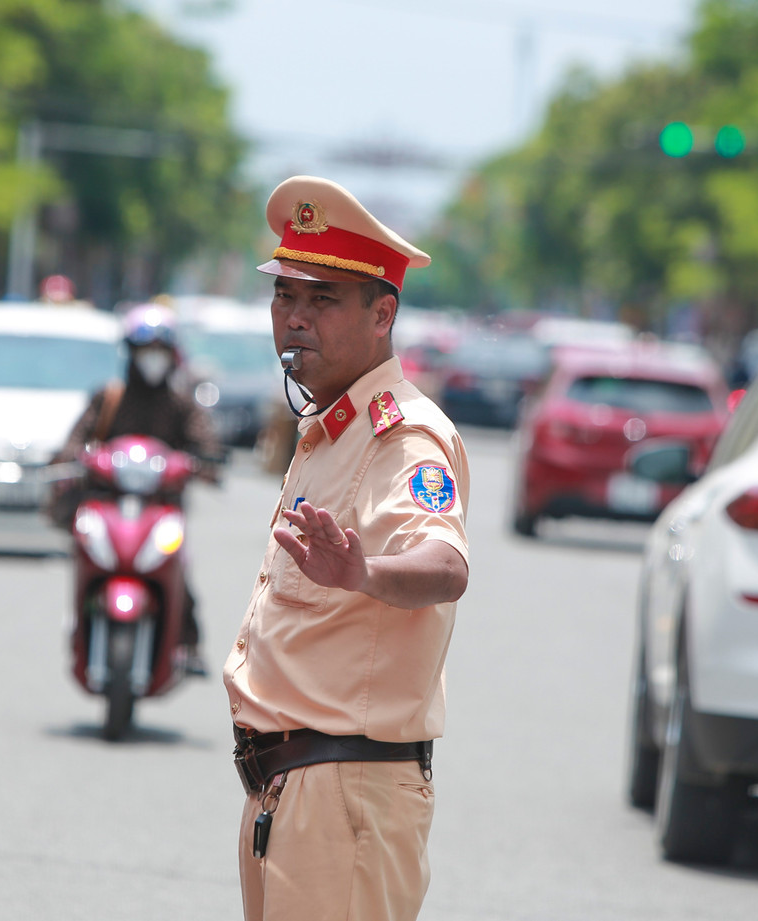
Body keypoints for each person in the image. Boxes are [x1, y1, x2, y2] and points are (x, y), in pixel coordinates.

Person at [224, 176, 471, 921]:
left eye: (322, 300)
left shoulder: (404, 435)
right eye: (284, 297)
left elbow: (445, 564)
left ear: (381, 314)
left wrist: (363, 570)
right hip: (292, 789)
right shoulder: (335, 426)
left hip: (343, 794)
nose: (295, 319)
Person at [51, 302, 223, 676]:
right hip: (107, 506)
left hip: (161, 510)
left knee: (178, 572)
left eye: (159, 351)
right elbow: (75, 440)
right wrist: (73, 457)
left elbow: (205, 445)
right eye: (145, 351)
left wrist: (203, 463)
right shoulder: (108, 398)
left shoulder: (180, 405)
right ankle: (78, 625)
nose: (152, 360)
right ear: (130, 353)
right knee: (85, 555)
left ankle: (188, 642)